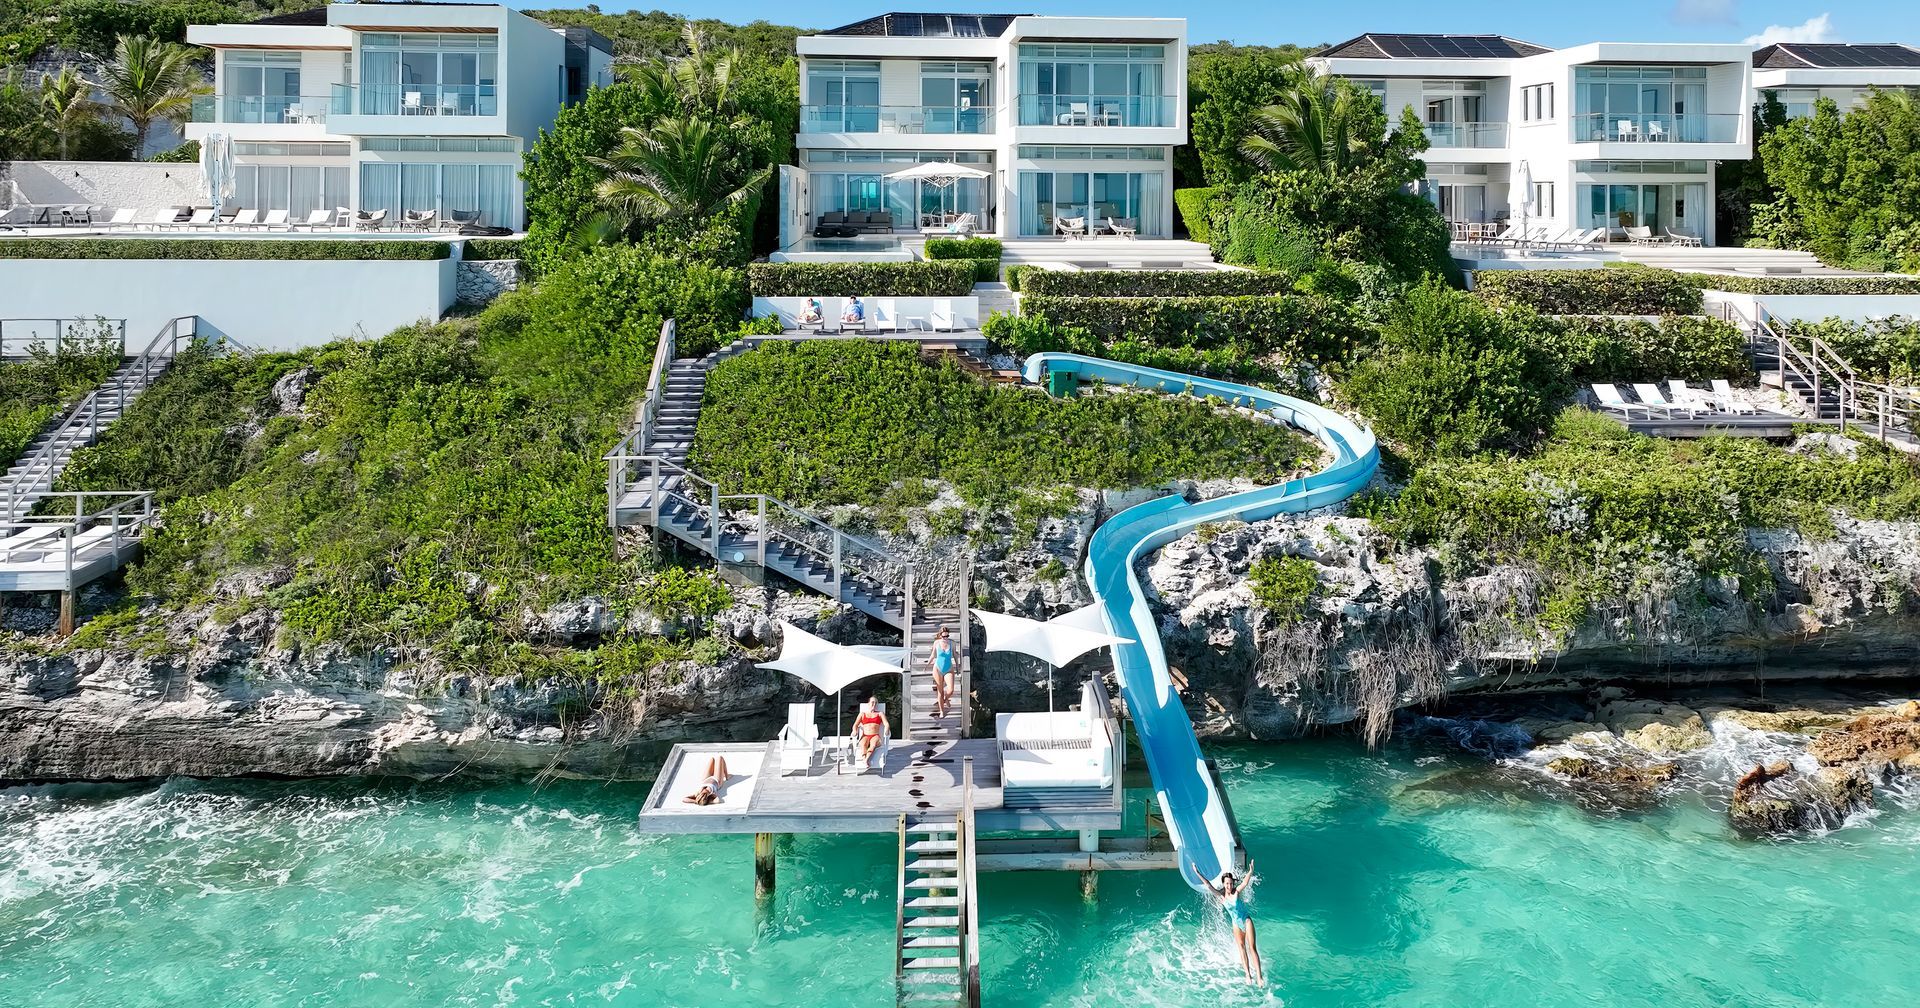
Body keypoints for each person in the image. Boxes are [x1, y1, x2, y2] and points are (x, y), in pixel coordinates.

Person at [1202, 862, 1265, 985]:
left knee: (1251, 947)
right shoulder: (1221, 896)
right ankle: (1248, 975)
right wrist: (1197, 872)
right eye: (1227, 883)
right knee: (1241, 948)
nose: (1229, 885)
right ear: (1224, 884)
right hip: (1236, 924)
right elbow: (1209, 886)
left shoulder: (1236, 892)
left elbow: (1245, 883)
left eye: (1231, 883)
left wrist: (1250, 871)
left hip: (1246, 920)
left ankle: (1259, 976)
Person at [927, 627, 957, 719]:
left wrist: (958, 666)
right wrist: (927, 664)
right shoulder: (936, 643)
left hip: (948, 668)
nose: (946, 638)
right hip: (937, 668)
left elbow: (955, 654)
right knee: (940, 691)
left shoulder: (952, 643)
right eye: (944, 636)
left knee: (951, 690)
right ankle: (941, 711)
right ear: (940, 635)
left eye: (947, 636)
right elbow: (933, 655)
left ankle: (946, 698)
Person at [853, 692, 886, 770]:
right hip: (865, 735)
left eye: (875, 703)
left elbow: (886, 724)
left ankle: (865, 760)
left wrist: (887, 730)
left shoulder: (880, 714)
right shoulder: (862, 714)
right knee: (863, 744)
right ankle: (865, 759)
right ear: (868, 703)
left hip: (875, 735)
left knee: (873, 744)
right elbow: (855, 725)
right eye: (872, 702)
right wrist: (855, 731)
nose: (874, 704)